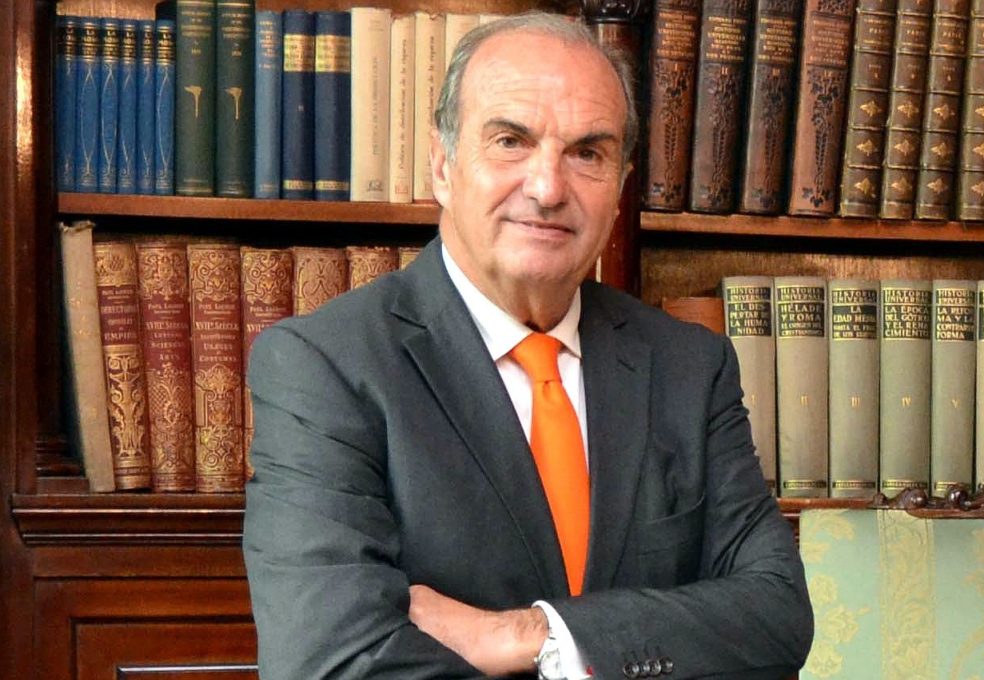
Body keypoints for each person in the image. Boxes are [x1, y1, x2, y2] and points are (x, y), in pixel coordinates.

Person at [243, 12, 813, 680]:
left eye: (588, 153)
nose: (547, 189)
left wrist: (536, 636)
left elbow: (778, 616)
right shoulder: (325, 366)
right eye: (511, 141)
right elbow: (330, 661)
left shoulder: (690, 366)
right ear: (443, 166)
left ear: (621, 187)